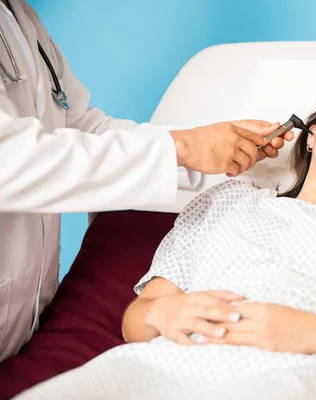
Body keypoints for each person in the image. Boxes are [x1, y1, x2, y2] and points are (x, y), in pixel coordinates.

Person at [14, 84, 316, 400]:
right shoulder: (227, 201)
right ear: (311, 135)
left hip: (309, 380)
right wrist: (164, 316)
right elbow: (139, 320)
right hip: (164, 368)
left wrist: (315, 334)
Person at [0, 0, 293, 362]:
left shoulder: (20, 17)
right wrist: (182, 148)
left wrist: (197, 141)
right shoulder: (216, 218)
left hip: (26, 327)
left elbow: (81, 127)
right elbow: (10, 159)